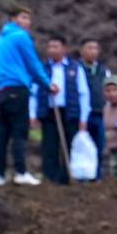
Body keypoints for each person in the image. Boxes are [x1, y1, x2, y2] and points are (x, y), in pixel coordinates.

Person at [0, 6, 54, 186]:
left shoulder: (1, 38)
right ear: (13, 19)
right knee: (19, 131)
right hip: (17, 88)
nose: (28, 22)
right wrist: (47, 84)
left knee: (3, 133)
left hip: (2, 90)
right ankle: (20, 172)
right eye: (24, 17)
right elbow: (32, 63)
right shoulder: (20, 36)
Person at [30, 35, 90, 185]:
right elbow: (34, 93)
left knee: (70, 145)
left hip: (70, 112)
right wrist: (33, 114)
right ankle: (51, 177)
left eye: (56, 47)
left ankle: (68, 176)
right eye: (50, 47)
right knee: (50, 145)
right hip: (50, 112)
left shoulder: (75, 68)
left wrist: (83, 117)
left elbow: (83, 94)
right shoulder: (42, 69)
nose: (52, 50)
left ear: (64, 49)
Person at [80, 38, 111, 179]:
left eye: (95, 48)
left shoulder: (103, 71)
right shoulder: (77, 69)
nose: (93, 51)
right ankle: (83, 175)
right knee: (83, 146)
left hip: (99, 113)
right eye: (89, 48)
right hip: (82, 115)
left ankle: (97, 176)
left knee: (99, 146)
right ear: (82, 51)